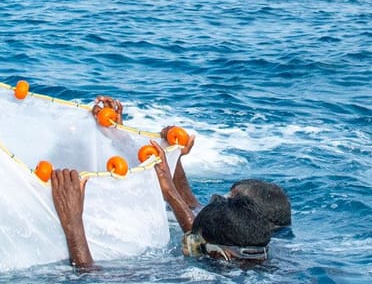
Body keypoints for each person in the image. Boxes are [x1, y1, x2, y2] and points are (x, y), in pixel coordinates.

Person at [49, 97, 292, 270]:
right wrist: (118, 135)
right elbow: (195, 211)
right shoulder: (259, 257)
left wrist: (72, 224)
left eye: (193, 243)